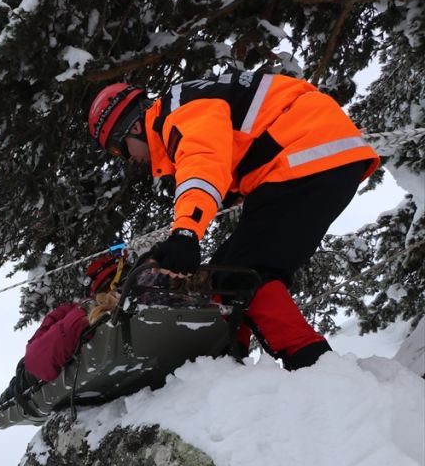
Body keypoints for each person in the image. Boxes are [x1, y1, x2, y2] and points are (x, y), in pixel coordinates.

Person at [87, 71, 380, 370]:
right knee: (221, 276)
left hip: (305, 155)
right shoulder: (184, 105)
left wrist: (186, 233)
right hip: (307, 155)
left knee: (245, 274)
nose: (127, 159)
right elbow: (228, 153)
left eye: (117, 148)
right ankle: (224, 364)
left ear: (134, 126)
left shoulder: (179, 108)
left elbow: (203, 160)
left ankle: (314, 366)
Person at [0, 252, 127, 405]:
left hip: (34, 367)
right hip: (33, 368)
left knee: (27, 372)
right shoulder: (77, 312)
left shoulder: (78, 314)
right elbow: (41, 354)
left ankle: (13, 389)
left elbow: (39, 357)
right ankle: (12, 390)